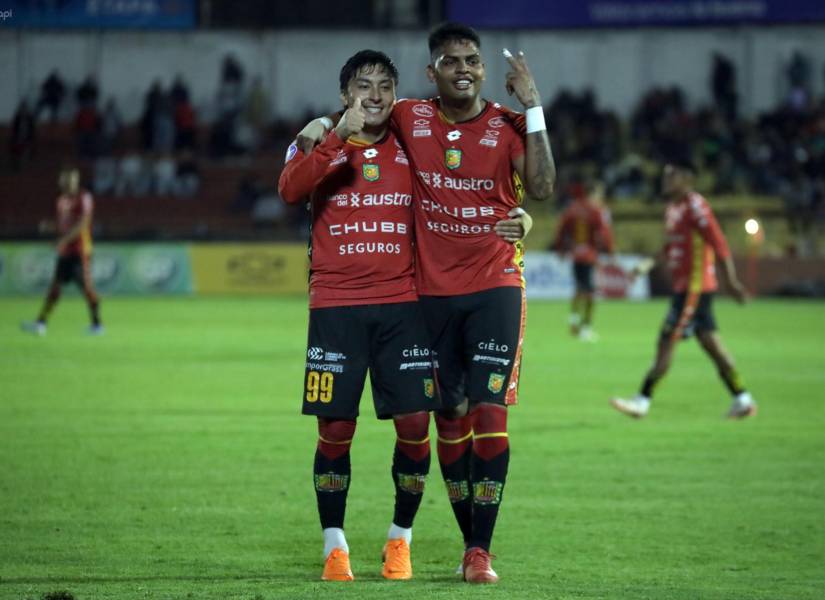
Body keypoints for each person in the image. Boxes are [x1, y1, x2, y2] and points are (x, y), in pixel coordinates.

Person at [297, 21, 555, 584]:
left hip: (490, 287)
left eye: (472, 60)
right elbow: (347, 121)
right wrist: (319, 124)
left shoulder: (507, 125)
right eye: (452, 61)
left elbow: (540, 186)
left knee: (481, 415)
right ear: (432, 72)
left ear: (483, 68)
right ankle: (439, 543)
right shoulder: (410, 118)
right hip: (424, 298)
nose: (464, 69)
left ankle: (472, 550)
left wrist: (533, 106)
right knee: (445, 416)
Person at [610, 159, 756, 419]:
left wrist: (732, 283)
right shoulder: (673, 208)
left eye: (672, 175)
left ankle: (642, 401)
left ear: (688, 178)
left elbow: (719, 244)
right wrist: (647, 264)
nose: (666, 179)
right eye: (665, 174)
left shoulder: (696, 206)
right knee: (712, 345)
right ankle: (743, 399)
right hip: (687, 287)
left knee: (666, 341)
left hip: (694, 288)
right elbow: (670, 246)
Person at [21, 167, 103, 336]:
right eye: (64, 180)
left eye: (71, 180)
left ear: (76, 181)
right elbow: (64, 225)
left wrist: (63, 240)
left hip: (80, 251)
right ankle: (41, 323)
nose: (67, 183)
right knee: (55, 287)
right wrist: (51, 227)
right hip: (66, 252)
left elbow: (82, 224)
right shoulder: (62, 200)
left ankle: (97, 325)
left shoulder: (84, 197)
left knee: (87, 289)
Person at [552, 180, 614, 341]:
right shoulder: (597, 210)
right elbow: (604, 233)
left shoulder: (572, 209)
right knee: (590, 292)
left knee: (579, 288)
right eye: (599, 193)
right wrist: (610, 251)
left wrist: (560, 249)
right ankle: (586, 327)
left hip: (576, 255)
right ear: (593, 192)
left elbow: (561, 230)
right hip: (590, 256)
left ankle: (573, 320)